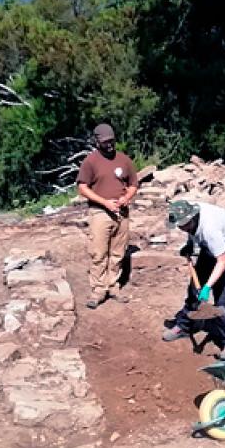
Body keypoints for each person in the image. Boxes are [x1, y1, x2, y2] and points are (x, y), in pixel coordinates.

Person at [163, 200, 225, 360]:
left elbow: (223, 261)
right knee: (194, 292)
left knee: (224, 301)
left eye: (184, 225)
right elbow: (193, 232)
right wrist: (190, 245)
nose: (182, 229)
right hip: (212, 249)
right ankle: (185, 326)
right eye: (180, 226)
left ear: (192, 218)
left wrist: (208, 286)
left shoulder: (210, 229)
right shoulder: (189, 215)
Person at [76, 123, 138, 309]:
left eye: (111, 141)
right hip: (100, 212)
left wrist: (127, 197)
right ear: (97, 141)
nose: (109, 145)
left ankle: (113, 286)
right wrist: (104, 202)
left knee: (118, 252)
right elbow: (82, 187)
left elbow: (133, 184)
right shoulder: (90, 162)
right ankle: (98, 289)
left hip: (121, 212)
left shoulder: (124, 160)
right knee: (99, 252)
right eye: (105, 142)